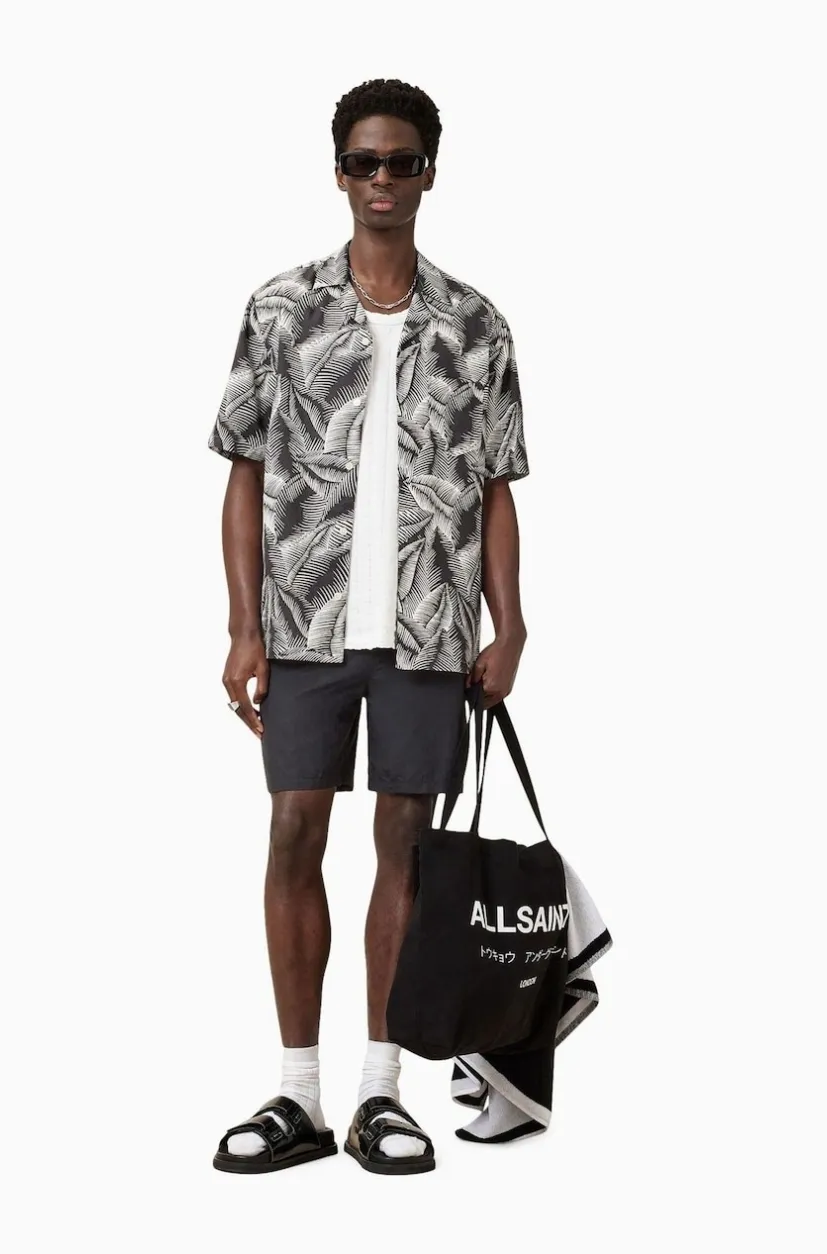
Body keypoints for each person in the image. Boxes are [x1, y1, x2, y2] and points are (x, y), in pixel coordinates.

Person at [208, 78, 530, 1175]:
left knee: (405, 846)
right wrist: (242, 626)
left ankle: (379, 1092)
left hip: (429, 628)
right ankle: (296, 1093)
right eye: (363, 161)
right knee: (294, 831)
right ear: (338, 172)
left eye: (400, 161)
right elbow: (245, 472)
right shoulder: (280, 308)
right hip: (305, 624)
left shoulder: (477, 324)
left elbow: (494, 487)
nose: (381, 179)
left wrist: (510, 624)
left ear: (430, 171)